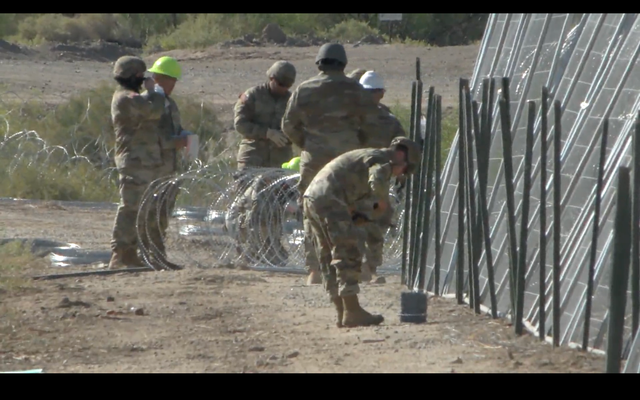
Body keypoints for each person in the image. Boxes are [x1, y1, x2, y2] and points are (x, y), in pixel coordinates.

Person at [281, 43, 377, 286]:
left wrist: (308, 144)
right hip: (349, 161)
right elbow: (372, 125)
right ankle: (356, 269)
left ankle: (314, 269)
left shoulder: (304, 89)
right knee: (354, 210)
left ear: (319, 63)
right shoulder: (357, 91)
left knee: (312, 213)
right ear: (343, 64)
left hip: (315, 159)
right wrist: (356, 145)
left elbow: (288, 125)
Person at [302, 136, 421, 327]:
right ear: (401, 156)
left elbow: (350, 187)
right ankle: (353, 311)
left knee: (327, 256)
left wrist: (359, 214)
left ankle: (343, 311)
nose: (401, 174)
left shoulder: (367, 156)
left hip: (314, 197)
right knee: (347, 252)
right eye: (405, 169)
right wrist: (383, 204)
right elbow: (377, 178)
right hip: (330, 200)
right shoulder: (381, 161)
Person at [108, 56, 172, 270]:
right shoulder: (127, 97)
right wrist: (156, 93)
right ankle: (120, 253)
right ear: (135, 76)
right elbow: (153, 111)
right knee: (130, 208)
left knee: (142, 209)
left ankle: (131, 253)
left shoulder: (132, 96)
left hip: (144, 161)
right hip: (135, 161)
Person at [356, 70, 407, 283]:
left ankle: (367, 267)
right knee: (366, 220)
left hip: (370, 176)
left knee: (373, 219)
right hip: (364, 176)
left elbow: (401, 146)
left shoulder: (385, 119)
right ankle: (364, 267)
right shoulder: (356, 116)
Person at [139, 56, 189, 270]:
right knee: (148, 212)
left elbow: (173, 129)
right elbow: (149, 136)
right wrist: (174, 143)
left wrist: (184, 136)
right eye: (171, 80)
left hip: (169, 166)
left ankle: (158, 256)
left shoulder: (170, 103)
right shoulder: (148, 102)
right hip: (152, 165)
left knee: (162, 212)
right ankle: (143, 256)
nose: (173, 85)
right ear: (158, 78)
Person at [226, 159, 299, 268]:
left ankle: (258, 250)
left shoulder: (289, 188)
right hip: (239, 222)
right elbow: (258, 212)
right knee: (265, 216)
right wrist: (285, 205)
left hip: (262, 226)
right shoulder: (265, 181)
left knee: (280, 259)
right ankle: (251, 250)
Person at [233, 61, 297, 170]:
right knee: (246, 186)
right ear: (271, 78)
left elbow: (299, 127)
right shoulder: (252, 95)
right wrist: (266, 133)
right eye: (281, 84)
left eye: (287, 85)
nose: (283, 89)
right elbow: (240, 124)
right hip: (253, 157)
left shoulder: (292, 101)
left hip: (281, 160)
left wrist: (288, 136)